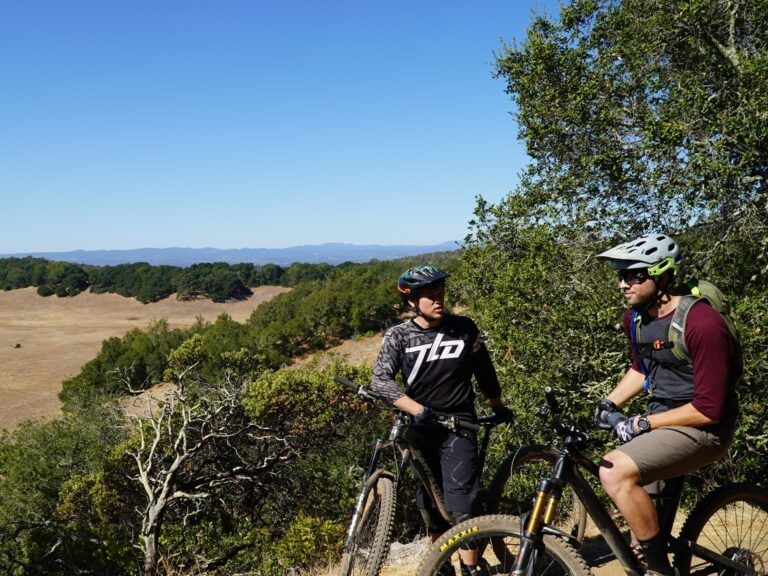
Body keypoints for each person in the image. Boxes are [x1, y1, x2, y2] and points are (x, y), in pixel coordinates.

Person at [594, 233, 740, 576]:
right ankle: (654, 556)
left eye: (633, 275)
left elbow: (708, 409)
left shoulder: (703, 324)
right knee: (640, 528)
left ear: (661, 275)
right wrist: (608, 403)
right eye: (621, 276)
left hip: (706, 428)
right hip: (664, 420)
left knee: (614, 471)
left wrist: (642, 423)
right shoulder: (636, 319)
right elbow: (641, 369)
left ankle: (660, 570)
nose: (623, 284)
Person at [371, 264, 511, 576]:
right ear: (411, 301)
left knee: (462, 506)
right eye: (430, 295)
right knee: (430, 507)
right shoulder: (399, 336)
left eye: (440, 293)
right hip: (420, 429)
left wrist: (497, 405)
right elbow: (380, 380)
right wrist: (415, 409)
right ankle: (442, 566)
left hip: (458, 425)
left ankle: (470, 569)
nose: (438, 299)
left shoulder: (464, 328)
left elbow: (484, 369)